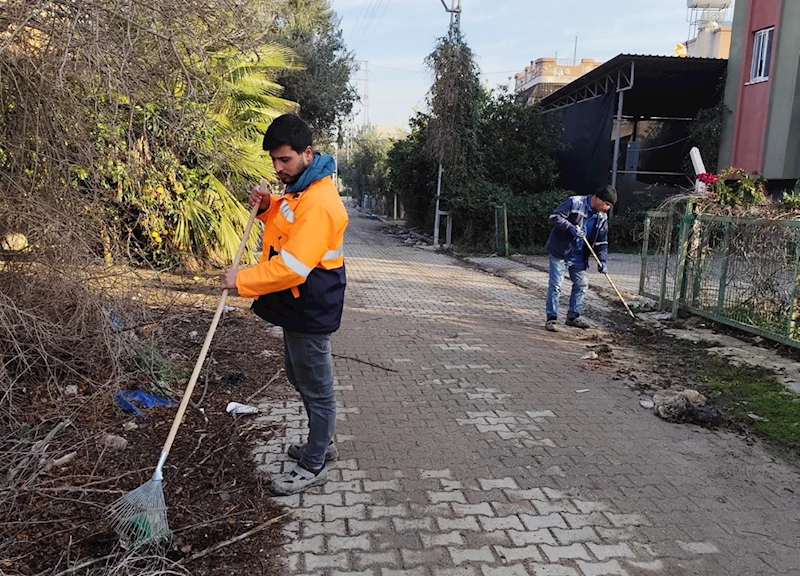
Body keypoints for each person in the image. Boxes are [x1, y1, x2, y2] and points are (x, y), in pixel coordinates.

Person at [220, 114, 348, 495]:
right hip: (298, 304)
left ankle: (314, 463)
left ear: (307, 153)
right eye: (274, 161)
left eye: (285, 160)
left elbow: (292, 266)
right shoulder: (301, 190)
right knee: (299, 376)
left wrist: (240, 279)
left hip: (311, 304)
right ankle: (320, 443)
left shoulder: (320, 202)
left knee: (316, 386)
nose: (277, 169)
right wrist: (267, 207)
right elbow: (288, 220)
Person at [544, 185, 616, 332]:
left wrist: (602, 260)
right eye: (607, 204)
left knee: (581, 285)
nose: (607, 208)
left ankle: (572, 317)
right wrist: (570, 227)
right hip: (561, 252)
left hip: (579, 256)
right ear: (598, 199)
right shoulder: (574, 202)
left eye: (609, 206)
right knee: (556, 285)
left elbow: (602, 240)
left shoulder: (602, 217)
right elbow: (554, 217)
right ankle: (551, 318)